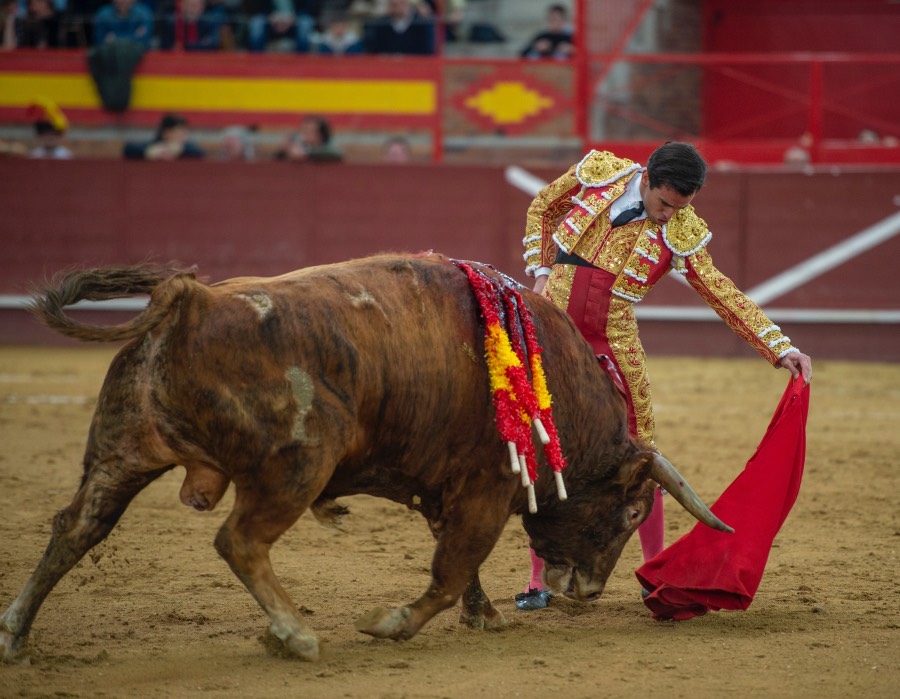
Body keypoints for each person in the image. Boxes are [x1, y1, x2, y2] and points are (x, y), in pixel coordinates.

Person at [515, 142, 813, 610]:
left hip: (614, 342)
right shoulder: (601, 172)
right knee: (544, 446)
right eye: (664, 204)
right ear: (648, 178)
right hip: (553, 333)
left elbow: (719, 291)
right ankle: (537, 581)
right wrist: (539, 268)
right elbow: (543, 205)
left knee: (640, 457)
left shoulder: (683, 230)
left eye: (680, 208)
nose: (667, 216)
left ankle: (654, 573)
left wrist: (780, 347)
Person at [123, 112, 206, 160]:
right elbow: (128, 149)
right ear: (167, 132)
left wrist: (181, 150)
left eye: (185, 132)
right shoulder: (154, 145)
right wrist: (149, 151)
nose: (184, 136)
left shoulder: (187, 147)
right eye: (179, 132)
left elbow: (200, 153)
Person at [363, 0, 434, 55]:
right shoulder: (382, 24)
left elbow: (427, 50)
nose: (394, 3)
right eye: (392, 4)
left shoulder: (420, 22)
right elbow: (374, 51)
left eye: (397, 4)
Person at [245, 0, 318, 52]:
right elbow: (259, 7)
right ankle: (257, 58)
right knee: (257, 22)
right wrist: (270, 15)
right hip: (271, 21)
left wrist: (293, 17)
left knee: (305, 23)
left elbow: (308, 8)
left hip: (295, 21)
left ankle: (301, 59)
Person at [159, 0, 226, 50]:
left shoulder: (208, 23)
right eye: (191, 5)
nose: (194, 9)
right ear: (182, 6)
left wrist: (186, 46)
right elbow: (165, 46)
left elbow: (212, 44)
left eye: (197, 6)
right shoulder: (171, 24)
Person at [274, 115, 343, 162]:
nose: (304, 134)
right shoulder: (299, 145)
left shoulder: (328, 147)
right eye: (303, 130)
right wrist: (284, 150)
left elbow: (337, 154)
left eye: (310, 131)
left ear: (321, 135)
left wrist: (305, 155)